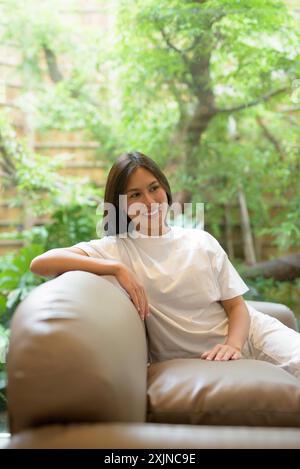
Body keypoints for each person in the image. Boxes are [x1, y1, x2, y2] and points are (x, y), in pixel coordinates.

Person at [30, 151, 300, 379]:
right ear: (121, 205)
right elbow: (41, 263)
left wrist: (233, 345)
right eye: (135, 195)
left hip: (250, 336)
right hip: (200, 357)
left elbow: (236, 306)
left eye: (153, 188)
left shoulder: (200, 241)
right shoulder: (117, 249)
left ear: (165, 188)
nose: (149, 202)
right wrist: (116, 268)